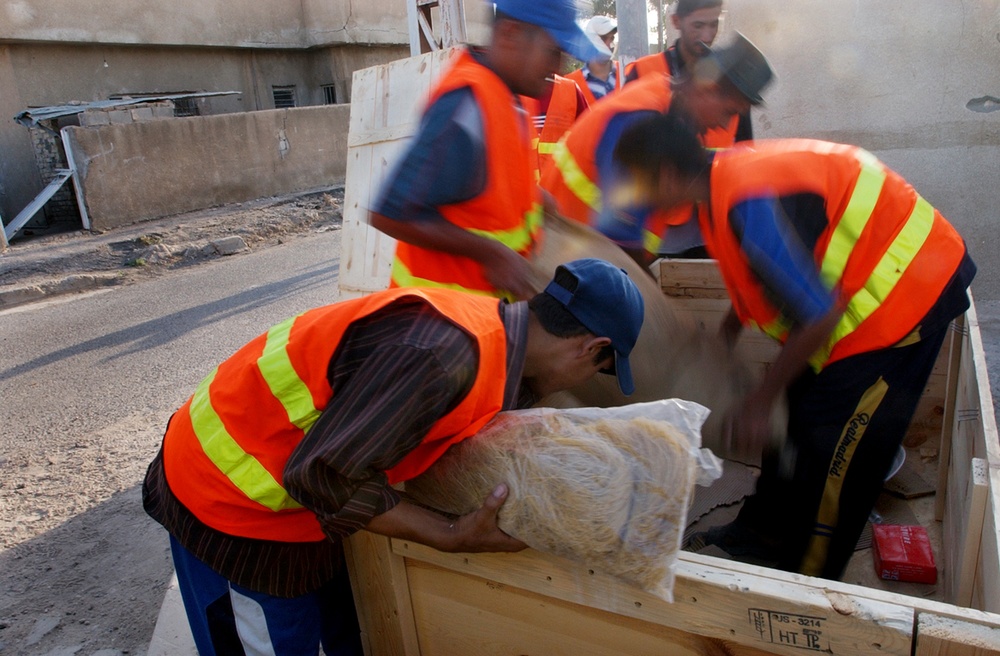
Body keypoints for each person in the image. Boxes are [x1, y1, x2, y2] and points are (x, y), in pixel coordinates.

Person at [143, 257, 645, 656]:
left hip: (292, 506)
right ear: (591, 349)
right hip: (226, 501)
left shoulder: (491, 336)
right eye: (600, 371)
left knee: (343, 633)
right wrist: (447, 535)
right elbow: (322, 477)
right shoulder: (440, 356)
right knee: (273, 638)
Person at [611, 112, 977, 580]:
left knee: (833, 459)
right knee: (794, 416)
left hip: (907, 296)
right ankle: (760, 536)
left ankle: (808, 582)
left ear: (664, 173)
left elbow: (818, 315)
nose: (634, 195)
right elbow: (764, 275)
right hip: (851, 296)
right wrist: (725, 336)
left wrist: (759, 403)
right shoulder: (719, 184)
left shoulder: (745, 199)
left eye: (634, 182)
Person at [368, 0, 609, 302]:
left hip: (484, 320)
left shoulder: (512, 98)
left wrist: (536, 200)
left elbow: (490, 193)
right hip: (436, 321)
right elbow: (389, 213)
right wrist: (491, 254)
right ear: (510, 34)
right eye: (552, 52)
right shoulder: (466, 105)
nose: (557, 68)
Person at [540, 32, 772, 263]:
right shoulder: (639, 121)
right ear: (706, 88)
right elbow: (623, 244)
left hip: (582, 254)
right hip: (566, 257)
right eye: (729, 112)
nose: (724, 125)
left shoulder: (666, 107)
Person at [623, 0, 753, 147]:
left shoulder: (733, 80)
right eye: (698, 26)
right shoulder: (642, 71)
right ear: (676, 21)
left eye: (714, 25)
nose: (706, 36)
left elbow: (745, 151)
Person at [566, 15, 622, 105]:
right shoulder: (570, 84)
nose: (609, 44)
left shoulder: (628, 72)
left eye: (612, 38)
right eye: (603, 38)